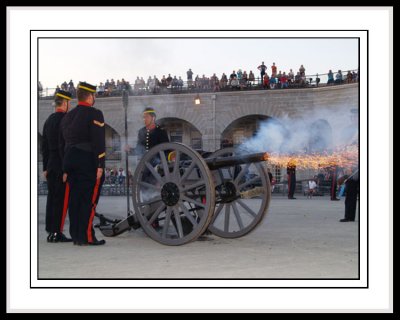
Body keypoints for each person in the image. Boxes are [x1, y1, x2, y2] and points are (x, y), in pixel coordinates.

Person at [60, 81, 106, 246]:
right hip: (88, 161)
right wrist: (100, 164)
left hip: (71, 160)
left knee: (75, 200)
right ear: (90, 96)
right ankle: (87, 236)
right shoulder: (94, 114)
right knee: (89, 200)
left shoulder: (68, 116)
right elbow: (98, 141)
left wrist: (65, 168)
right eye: (94, 95)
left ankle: (77, 236)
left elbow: (65, 143)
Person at [41, 90, 73, 243]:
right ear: (65, 103)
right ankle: (57, 232)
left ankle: (50, 231)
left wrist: (45, 168)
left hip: (51, 165)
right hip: (61, 165)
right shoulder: (66, 120)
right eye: (69, 103)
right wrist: (66, 168)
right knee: (60, 200)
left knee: (51, 199)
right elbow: (64, 146)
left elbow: (44, 146)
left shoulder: (48, 120)